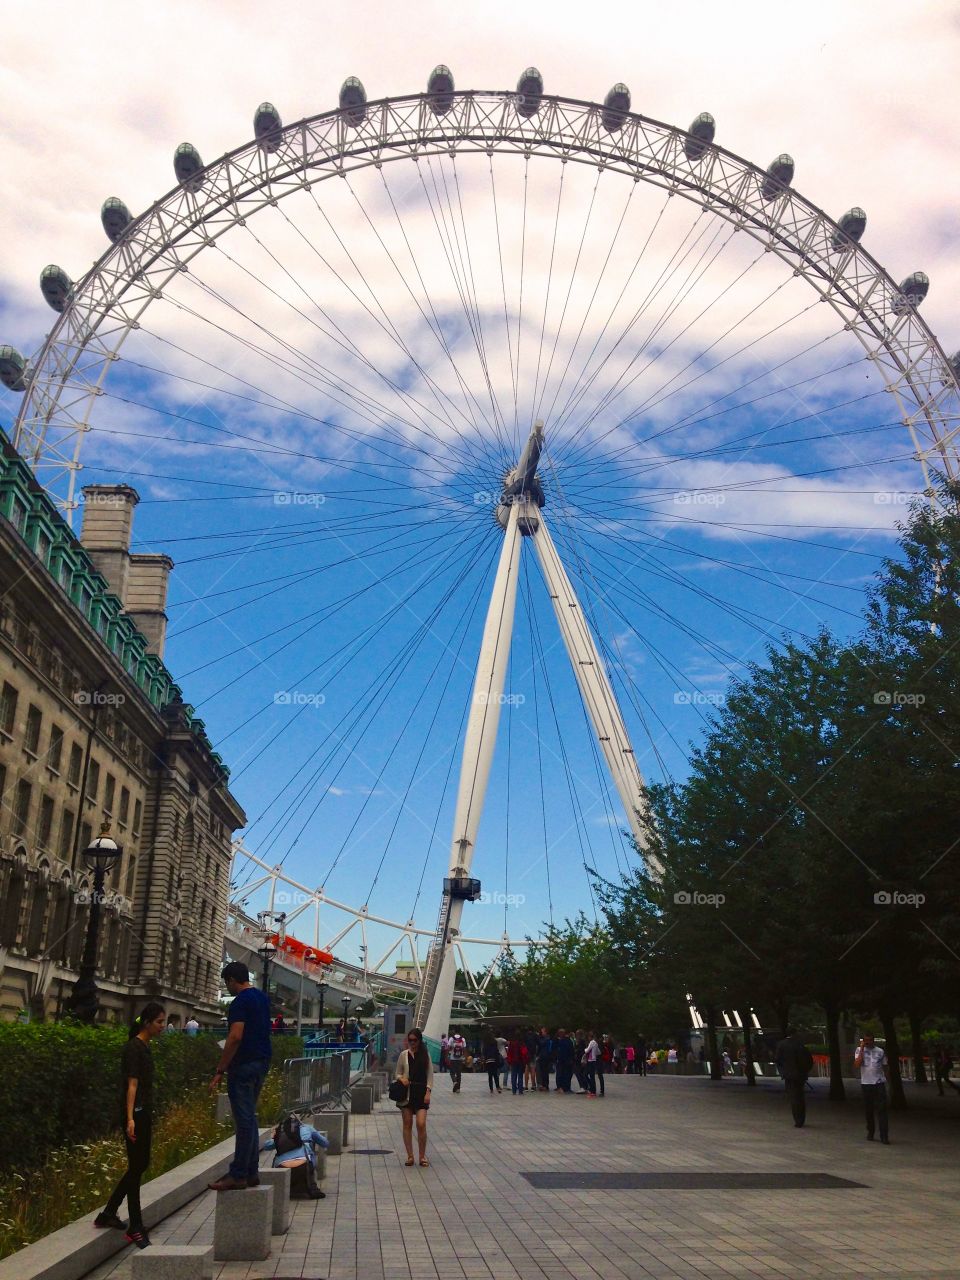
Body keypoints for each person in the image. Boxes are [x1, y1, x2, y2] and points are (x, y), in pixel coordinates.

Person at [95, 1001, 167, 1249]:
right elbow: (131, 1085)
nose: (163, 1026)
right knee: (137, 1166)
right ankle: (136, 1226)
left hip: (143, 1112)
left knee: (140, 1164)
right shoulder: (134, 1049)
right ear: (147, 1022)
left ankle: (108, 1213)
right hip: (134, 1114)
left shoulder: (145, 1047)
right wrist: (130, 1119)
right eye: (159, 1022)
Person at [208, 961, 273, 1191]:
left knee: (243, 1121)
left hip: (242, 1065)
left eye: (228, 984)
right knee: (250, 1118)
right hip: (261, 1062)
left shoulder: (239, 1002)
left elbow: (235, 1036)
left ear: (232, 980)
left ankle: (238, 1174)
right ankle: (251, 1172)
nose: (228, 989)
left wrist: (220, 1069)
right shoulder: (263, 999)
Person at [262, 1114, 329, 1198]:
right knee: (310, 1155)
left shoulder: (281, 1134)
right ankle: (310, 1185)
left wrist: (273, 1137)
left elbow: (266, 1146)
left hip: (282, 1166)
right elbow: (325, 1143)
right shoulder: (307, 1128)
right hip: (304, 1164)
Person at [395, 1027, 433, 1166]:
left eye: (414, 1040)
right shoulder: (404, 1055)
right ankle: (410, 1156)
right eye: (409, 1040)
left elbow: (430, 1075)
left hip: (421, 1092)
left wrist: (428, 1091)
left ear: (419, 1040)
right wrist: (401, 1079)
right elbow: (397, 1072)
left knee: (421, 1124)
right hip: (407, 1094)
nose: (412, 1043)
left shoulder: (425, 1055)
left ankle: (422, 1156)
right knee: (407, 1123)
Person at [775, 1028, 814, 1128]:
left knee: (793, 1097)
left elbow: (778, 1060)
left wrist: (783, 1072)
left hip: (788, 1075)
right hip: (800, 1075)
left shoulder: (781, 1045)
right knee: (800, 1096)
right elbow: (808, 1060)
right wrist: (805, 1071)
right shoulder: (800, 1045)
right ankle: (801, 1118)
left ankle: (797, 1119)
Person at [855, 1033, 890, 1144]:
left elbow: (885, 1066)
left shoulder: (880, 1051)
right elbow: (857, 1064)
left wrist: (888, 1081)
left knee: (882, 1110)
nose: (868, 1042)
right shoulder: (859, 1050)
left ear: (873, 1040)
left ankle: (884, 1135)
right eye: (866, 1040)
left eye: (870, 1040)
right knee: (868, 1110)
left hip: (879, 1083)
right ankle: (871, 1131)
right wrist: (861, 1048)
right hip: (866, 1083)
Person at [536, 1027, 554, 1092]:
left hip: (545, 1057)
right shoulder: (546, 1038)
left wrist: (537, 1038)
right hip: (544, 1057)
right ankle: (544, 1085)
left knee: (544, 1072)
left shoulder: (546, 1039)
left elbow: (541, 1044)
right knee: (543, 1071)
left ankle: (545, 1085)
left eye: (542, 1032)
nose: (541, 1033)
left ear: (546, 1032)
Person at [582, 1031, 600, 1098]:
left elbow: (586, 1050)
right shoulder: (596, 1043)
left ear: (590, 1037)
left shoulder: (592, 1042)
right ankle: (592, 1089)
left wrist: (585, 1049)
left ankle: (593, 1091)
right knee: (590, 1075)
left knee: (587, 1075)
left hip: (591, 1061)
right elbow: (598, 1052)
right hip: (593, 1060)